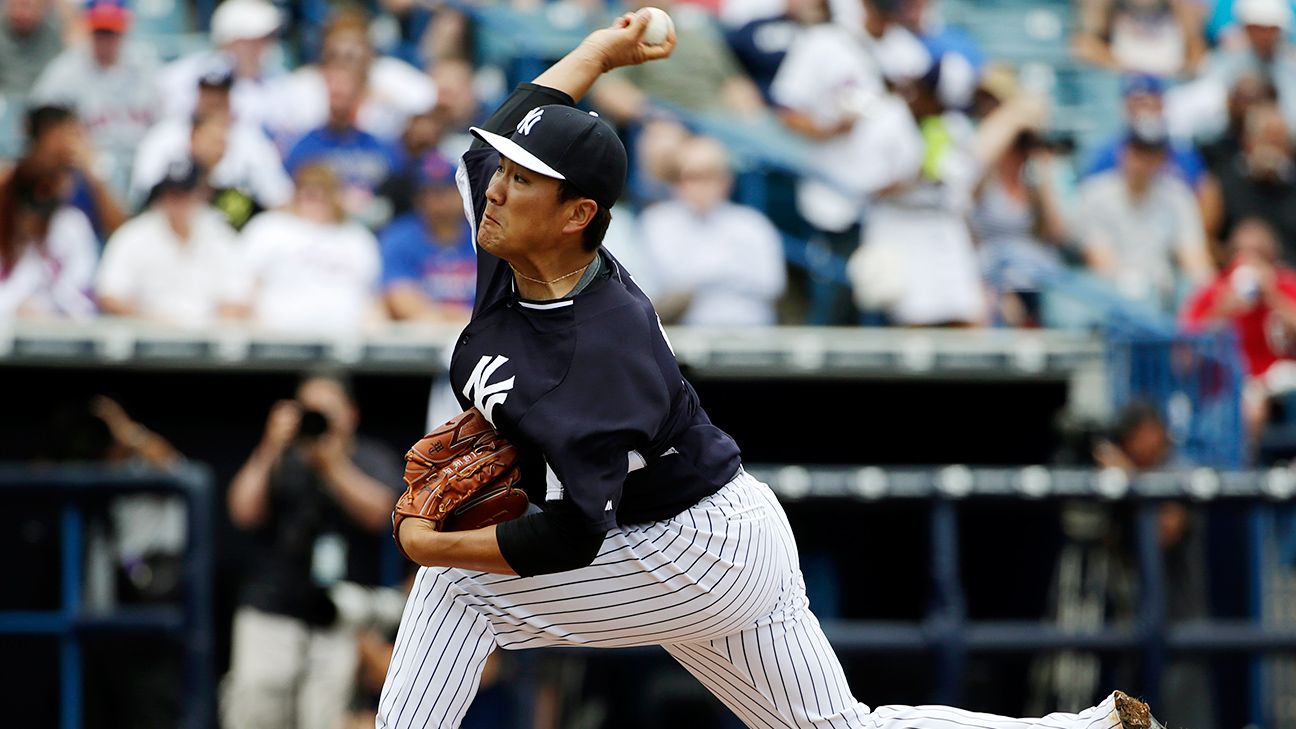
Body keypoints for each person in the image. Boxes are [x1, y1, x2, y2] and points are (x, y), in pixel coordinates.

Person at [376, 12, 1168, 729]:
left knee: (457, 591)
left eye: (522, 180)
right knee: (838, 728)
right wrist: (602, 52)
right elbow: (501, 132)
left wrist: (433, 547)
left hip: (685, 547)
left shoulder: (600, 349)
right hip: (727, 525)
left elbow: (573, 534)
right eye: (503, 174)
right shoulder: (511, 241)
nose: (495, 187)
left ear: (577, 214)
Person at [223, 372, 404, 729]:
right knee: (255, 711)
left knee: (325, 718)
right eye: (309, 411)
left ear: (350, 414)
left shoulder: (368, 456)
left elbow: (382, 513)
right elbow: (242, 511)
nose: (317, 420)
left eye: (327, 411)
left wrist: (332, 465)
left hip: (339, 616)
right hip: (272, 607)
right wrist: (270, 446)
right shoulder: (282, 455)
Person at [639, 135, 786, 326]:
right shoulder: (657, 222)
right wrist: (730, 274)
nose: (702, 186)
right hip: (682, 338)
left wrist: (701, 278)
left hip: (750, 336)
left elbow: (772, 284)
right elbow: (664, 284)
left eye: (710, 175)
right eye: (692, 177)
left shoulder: (753, 224)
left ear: (726, 181)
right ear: (676, 182)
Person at [131, 64, 292, 226]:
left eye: (220, 95)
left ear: (230, 98)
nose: (214, 101)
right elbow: (144, 197)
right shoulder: (164, 136)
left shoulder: (251, 138)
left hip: (234, 233)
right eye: (208, 94)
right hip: (172, 228)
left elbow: (278, 198)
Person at [1078, 117, 1213, 310]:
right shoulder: (1095, 194)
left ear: (1162, 159)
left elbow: (1195, 259)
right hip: (1113, 302)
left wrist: (1209, 294)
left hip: (1164, 299)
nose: (1141, 162)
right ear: (1122, 151)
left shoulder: (1177, 195)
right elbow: (1101, 261)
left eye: (1150, 154)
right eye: (1136, 152)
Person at [96, 160, 250, 327]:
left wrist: (206, 328)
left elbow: (238, 298)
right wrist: (151, 323)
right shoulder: (133, 236)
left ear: (201, 195)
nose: (178, 202)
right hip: (146, 340)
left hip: (207, 342)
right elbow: (110, 296)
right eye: (172, 194)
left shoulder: (219, 235)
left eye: (185, 194)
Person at [29, 0, 158, 198]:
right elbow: (38, 123)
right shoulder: (64, 71)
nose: (105, 39)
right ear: (87, 29)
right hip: (86, 169)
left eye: (112, 32)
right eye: (99, 31)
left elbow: (168, 122)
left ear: (125, 28)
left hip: (144, 163)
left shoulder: (147, 66)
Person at [241, 163, 385, 335]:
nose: (314, 195)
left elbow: (372, 299)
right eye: (307, 188)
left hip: (345, 346)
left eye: (323, 189)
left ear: (337, 195)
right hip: (277, 342)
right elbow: (244, 288)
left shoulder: (358, 238)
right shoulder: (269, 228)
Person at [1182, 218, 1296, 434]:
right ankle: (1247, 467)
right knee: (1249, 408)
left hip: (1281, 380)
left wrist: (1273, 296)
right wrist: (1222, 310)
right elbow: (1184, 356)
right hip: (1228, 383)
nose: (1249, 261)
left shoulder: (1287, 284)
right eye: (1242, 253)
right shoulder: (1212, 290)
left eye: (1258, 254)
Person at [283, 64, 400, 224]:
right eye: (335, 95)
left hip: (372, 229)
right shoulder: (305, 147)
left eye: (347, 96)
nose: (340, 104)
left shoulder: (380, 147)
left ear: (359, 98)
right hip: (322, 229)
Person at [378, 151, 476, 323]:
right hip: (423, 336)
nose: (435, 202)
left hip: (479, 334)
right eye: (426, 193)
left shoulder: (482, 235)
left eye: (442, 192)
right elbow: (401, 301)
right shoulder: (399, 237)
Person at [157, 0, 283, 127]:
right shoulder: (188, 75)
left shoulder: (278, 80)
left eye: (264, 40)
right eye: (250, 42)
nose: (259, 48)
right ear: (227, 42)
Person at [0, 160, 97, 319]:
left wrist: (46, 310)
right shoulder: (6, 224)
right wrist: (14, 305)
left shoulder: (72, 225)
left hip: (59, 332)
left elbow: (81, 291)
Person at [1212, 103, 1296, 261]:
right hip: (1239, 276)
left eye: (1279, 142)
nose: (1273, 150)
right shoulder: (1222, 185)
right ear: (1247, 142)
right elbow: (1207, 241)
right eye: (1267, 140)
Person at [1071, 0, 1205, 77]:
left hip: (1171, 81)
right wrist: (1128, 68)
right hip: (1125, 82)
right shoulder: (1105, 6)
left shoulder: (1180, 7)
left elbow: (1196, 49)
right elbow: (1084, 45)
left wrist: (1177, 73)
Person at [0, 0, 63, 96]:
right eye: (19, 6)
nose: (23, 14)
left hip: (41, 98)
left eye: (29, 6)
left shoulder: (52, 33)